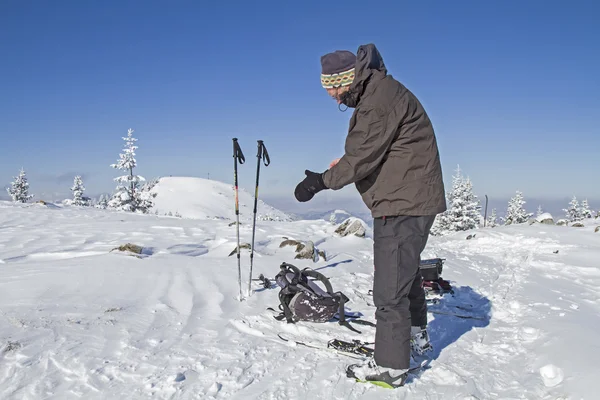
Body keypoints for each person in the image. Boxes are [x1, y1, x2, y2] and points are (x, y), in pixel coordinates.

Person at [294, 43, 446, 388]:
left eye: (334, 88)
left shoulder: (378, 101)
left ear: (348, 79)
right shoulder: (380, 92)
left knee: (389, 290)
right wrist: (347, 165)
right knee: (404, 276)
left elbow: (361, 156)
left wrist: (319, 181)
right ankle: (415, 338)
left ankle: (390, 367)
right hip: (412, 199)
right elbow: (373, 150)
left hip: (402, 204)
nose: (333, 98)